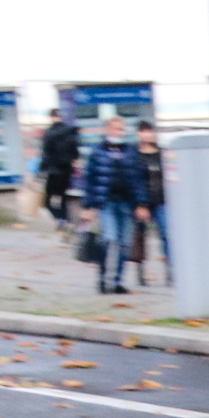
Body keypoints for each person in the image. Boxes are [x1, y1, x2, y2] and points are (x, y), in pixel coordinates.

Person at [80, 115, 150, 295]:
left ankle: (118, 281)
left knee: (125, 243)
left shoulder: (130, 151)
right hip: (106, 203)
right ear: (108, 130)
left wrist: (141, 204)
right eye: (117, 129)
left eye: (122, 129)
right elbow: (89, 180)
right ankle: (103, 278)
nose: (120, 132)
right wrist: (88, 206)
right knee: (110, 239)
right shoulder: (97, 152)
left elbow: (138, 179)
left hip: (126, 203)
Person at [130, 120, 168, 287]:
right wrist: (139, 203)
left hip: (161, 199)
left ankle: (171, 269)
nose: (147, 135)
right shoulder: (134, 155)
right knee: (140, 236)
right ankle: (141, 271)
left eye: (149, 131)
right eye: (143, 131)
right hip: (141, 202)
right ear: (138, 134)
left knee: (166, 233)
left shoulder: (161, 154)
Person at [38, 109, 81, 225]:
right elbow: (75, 153)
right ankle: (66, 220)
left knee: (46, 201)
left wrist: (40, 173)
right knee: (63, 198)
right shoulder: (69, 132)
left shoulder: (49, 133)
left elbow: (45, 154)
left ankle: (59, 218)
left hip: (53, 172)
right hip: (66, 172)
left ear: (51, 117)